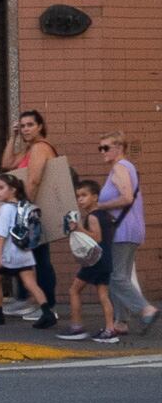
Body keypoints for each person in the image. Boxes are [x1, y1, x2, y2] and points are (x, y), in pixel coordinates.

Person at [94, 131, 158, 335]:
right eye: (100, 148)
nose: (102, 151)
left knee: (116, 276)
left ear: (119, 148)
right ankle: (121, 322)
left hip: (123, 230)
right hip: (130, 229)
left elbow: (127, 197)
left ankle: (146, 309)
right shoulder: (123, 168)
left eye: (106, 147)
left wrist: (101, 205)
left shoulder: (120, 167)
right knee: (119, 275)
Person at [0, 110, 60, 322]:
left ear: (40, 126)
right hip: (30, 210)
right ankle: (27, 299)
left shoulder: (41, 148)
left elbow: (33, 181)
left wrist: (23, 211)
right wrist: (13, 136)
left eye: (29, 125)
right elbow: (7, 164)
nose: (25, 129)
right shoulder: (29, 149)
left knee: (41, 259)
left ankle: (48, 305)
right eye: (22, 126)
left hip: (33, 212)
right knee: (24, 255)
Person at [0, 173, 56, 328]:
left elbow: (1, 233)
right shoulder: (23, 206)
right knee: (31, 284)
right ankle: (47, 312)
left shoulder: (6, 209)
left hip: (10, 254)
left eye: (1, 188)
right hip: (25, 253)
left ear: (12, 190)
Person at [55, 180, 118, 343]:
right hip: (106, 259)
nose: (80, 200)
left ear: (95, 197)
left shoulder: (92, 216)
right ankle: (110, 329)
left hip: (94, 261)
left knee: (74, 290)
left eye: (84, 195)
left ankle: (77, 327)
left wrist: (79, 228)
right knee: (103, 295)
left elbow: (97, 237)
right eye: (78, 196)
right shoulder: (104, 214)